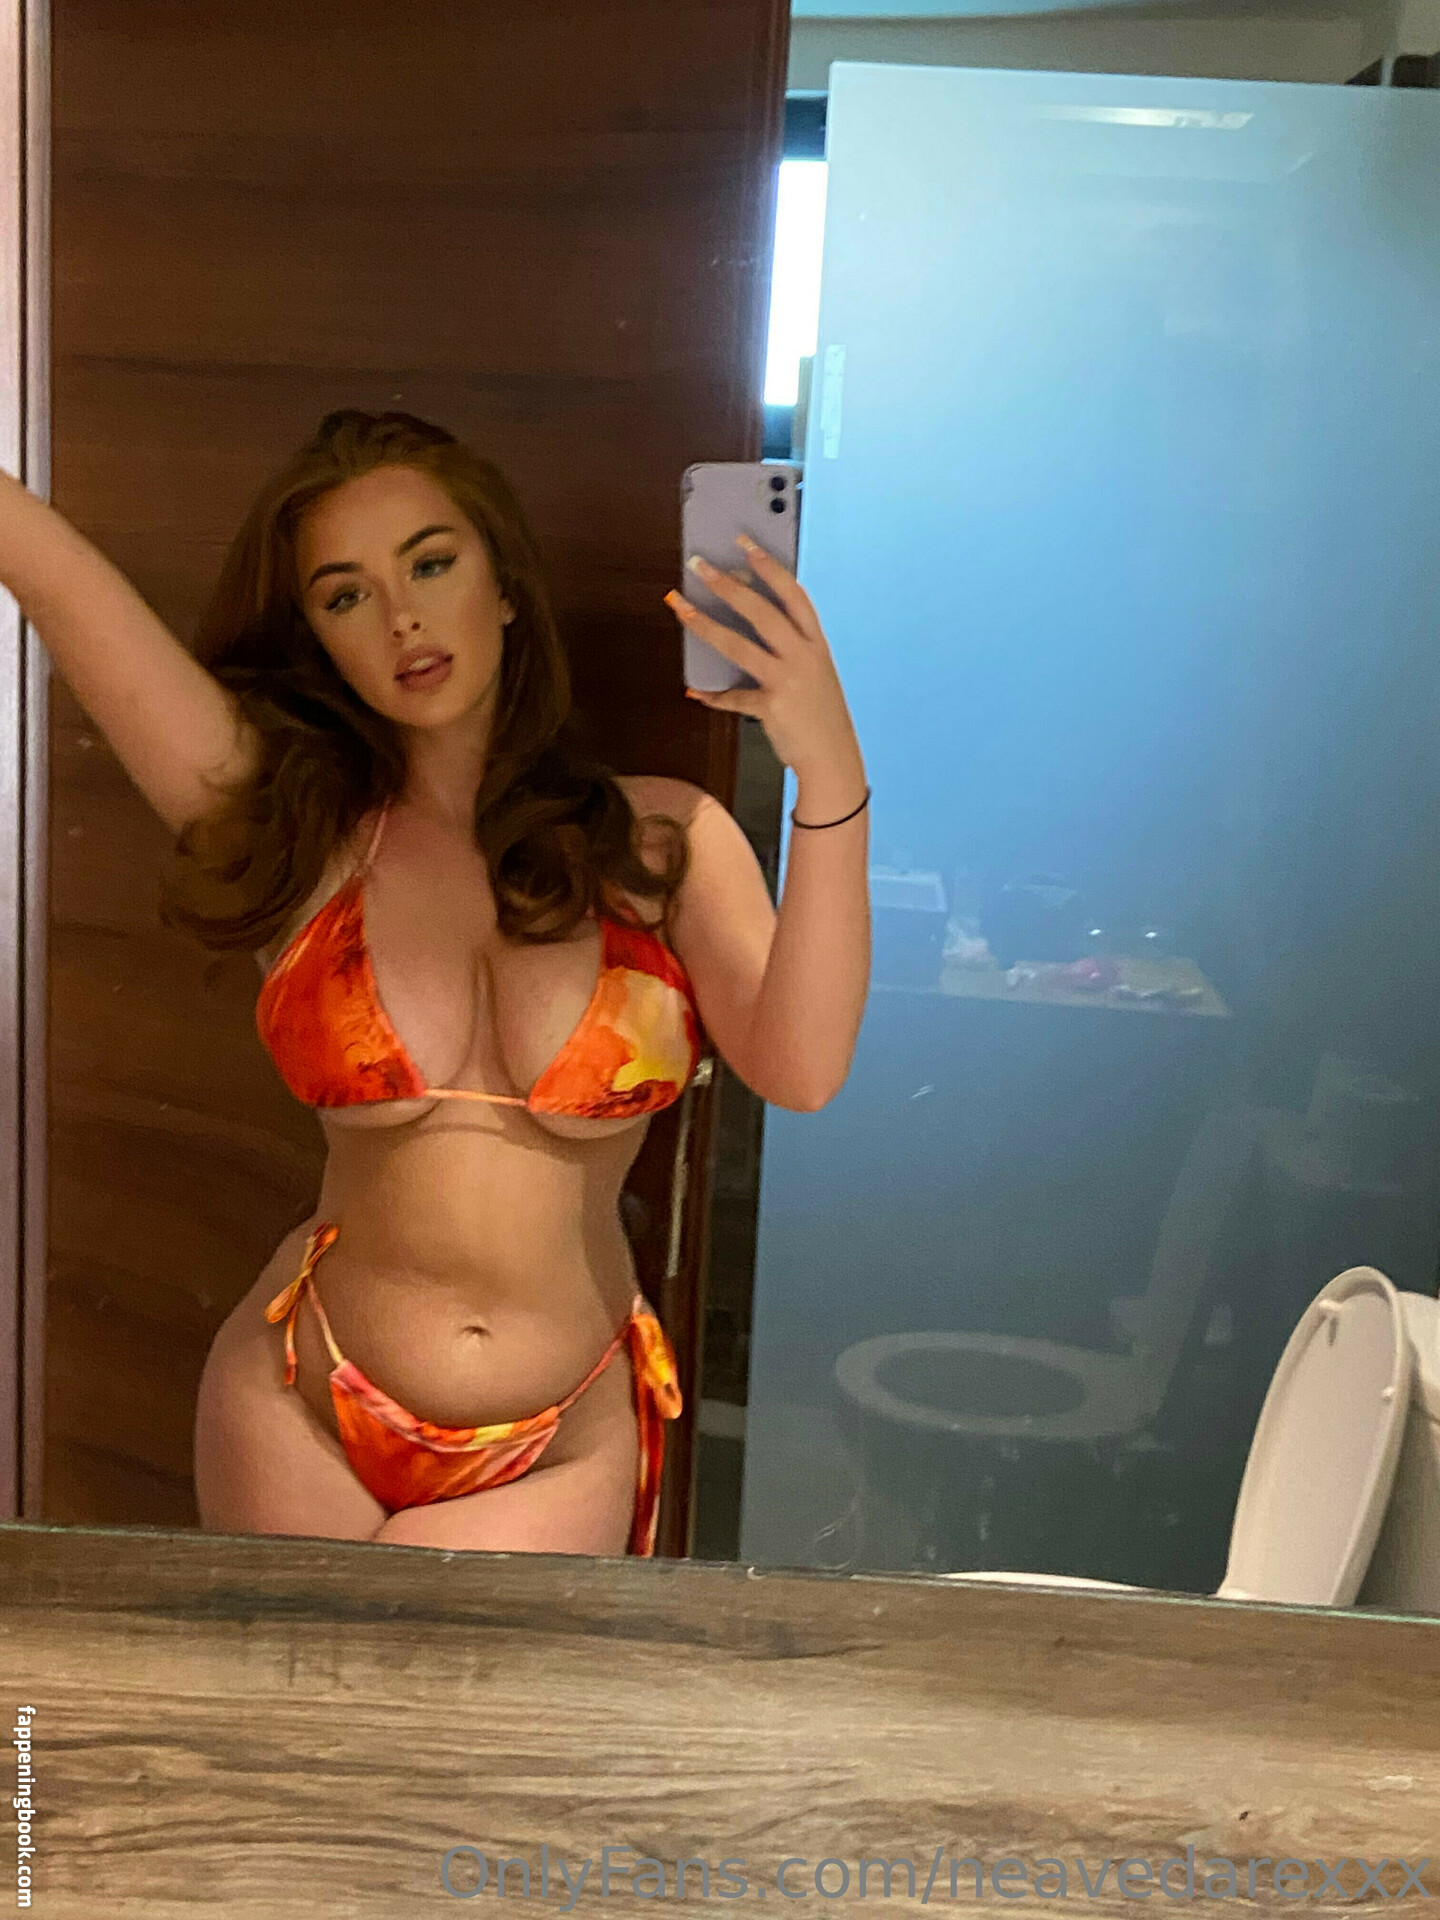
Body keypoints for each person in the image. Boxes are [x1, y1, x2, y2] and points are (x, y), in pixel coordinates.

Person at [0, 409, 871, 1554]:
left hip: (560, 1437)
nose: (401, 616)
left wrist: (827, 765)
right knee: (293, 1687)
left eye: (429, 563)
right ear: (319, 638)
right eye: (345, 595)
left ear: (503, 584)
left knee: (436, 1683)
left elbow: (802, 1070)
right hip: (299, 1405)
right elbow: (57, 579)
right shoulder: (296, 834)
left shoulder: (662, 843)